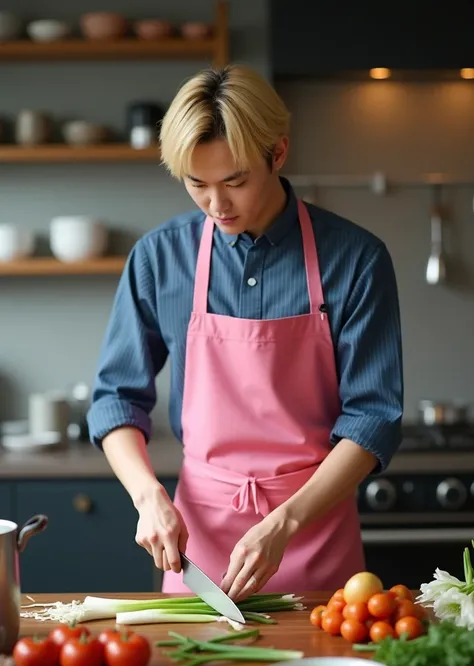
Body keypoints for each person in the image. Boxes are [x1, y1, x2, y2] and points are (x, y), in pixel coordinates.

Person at [87, 64, 403, 603]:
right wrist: (148, 498)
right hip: (200, 542)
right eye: (197, 184)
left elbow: (373, 417)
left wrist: (285, 523)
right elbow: (115, 399)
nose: (217, 205)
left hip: (314, 531)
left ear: (277, 154)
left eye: (234, 181)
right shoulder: (161, 258)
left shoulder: (356, 259)